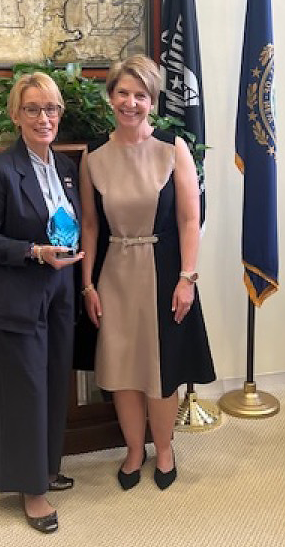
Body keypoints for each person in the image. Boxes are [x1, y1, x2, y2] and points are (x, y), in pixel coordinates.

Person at [79, 55, 215, 491]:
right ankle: (134, 450)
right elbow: (90, 225)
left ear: (152, 101)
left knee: (161, 370)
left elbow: (189, 220)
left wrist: (187, 278)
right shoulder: (92, 156)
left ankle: (166, 448)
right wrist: (87, 285)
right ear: (111, 97)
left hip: (163, 274)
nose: (131, 102)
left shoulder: (173, 147)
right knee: (122, 368)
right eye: (123, 93)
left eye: (141, 95)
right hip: (114, 274)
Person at [0, 71, 83, 533]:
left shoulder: (67, 169)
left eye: (51, 108)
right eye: (33, 108)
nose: (43, 117)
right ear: (16, 115)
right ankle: (31, 490)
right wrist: (34, 253)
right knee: (25, 392)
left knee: (54, 382)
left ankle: (46, 468)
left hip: (58, 292)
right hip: (16, 294)